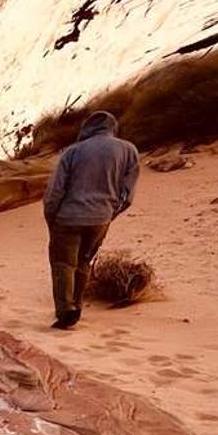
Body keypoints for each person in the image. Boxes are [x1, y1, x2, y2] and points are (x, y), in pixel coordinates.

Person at [42, 110, 139, 330]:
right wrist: (110, 213)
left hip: (68, 217)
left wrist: (51, 216)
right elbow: (128, 194)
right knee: (83, 262)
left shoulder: (73, 151)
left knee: (63, 264)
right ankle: (76, 305)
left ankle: (66, 312)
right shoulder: (128, 150)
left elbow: (55, 191)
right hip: (101, 218)